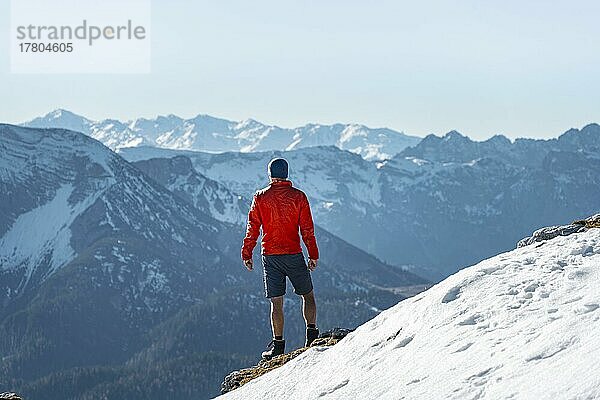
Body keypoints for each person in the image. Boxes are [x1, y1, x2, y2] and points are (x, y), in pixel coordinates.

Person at [241, 158, 320, 359]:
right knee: (308, 296)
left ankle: (278, 346)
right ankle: (311, 335)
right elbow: (307, 230)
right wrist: (313, 254)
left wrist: (247, 252)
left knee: (276, 304)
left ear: (270, 174)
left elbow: (253, 228)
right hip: (293, 253)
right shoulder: (299, 197)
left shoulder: (260, 197)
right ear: (286, 173)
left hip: (270, 256)